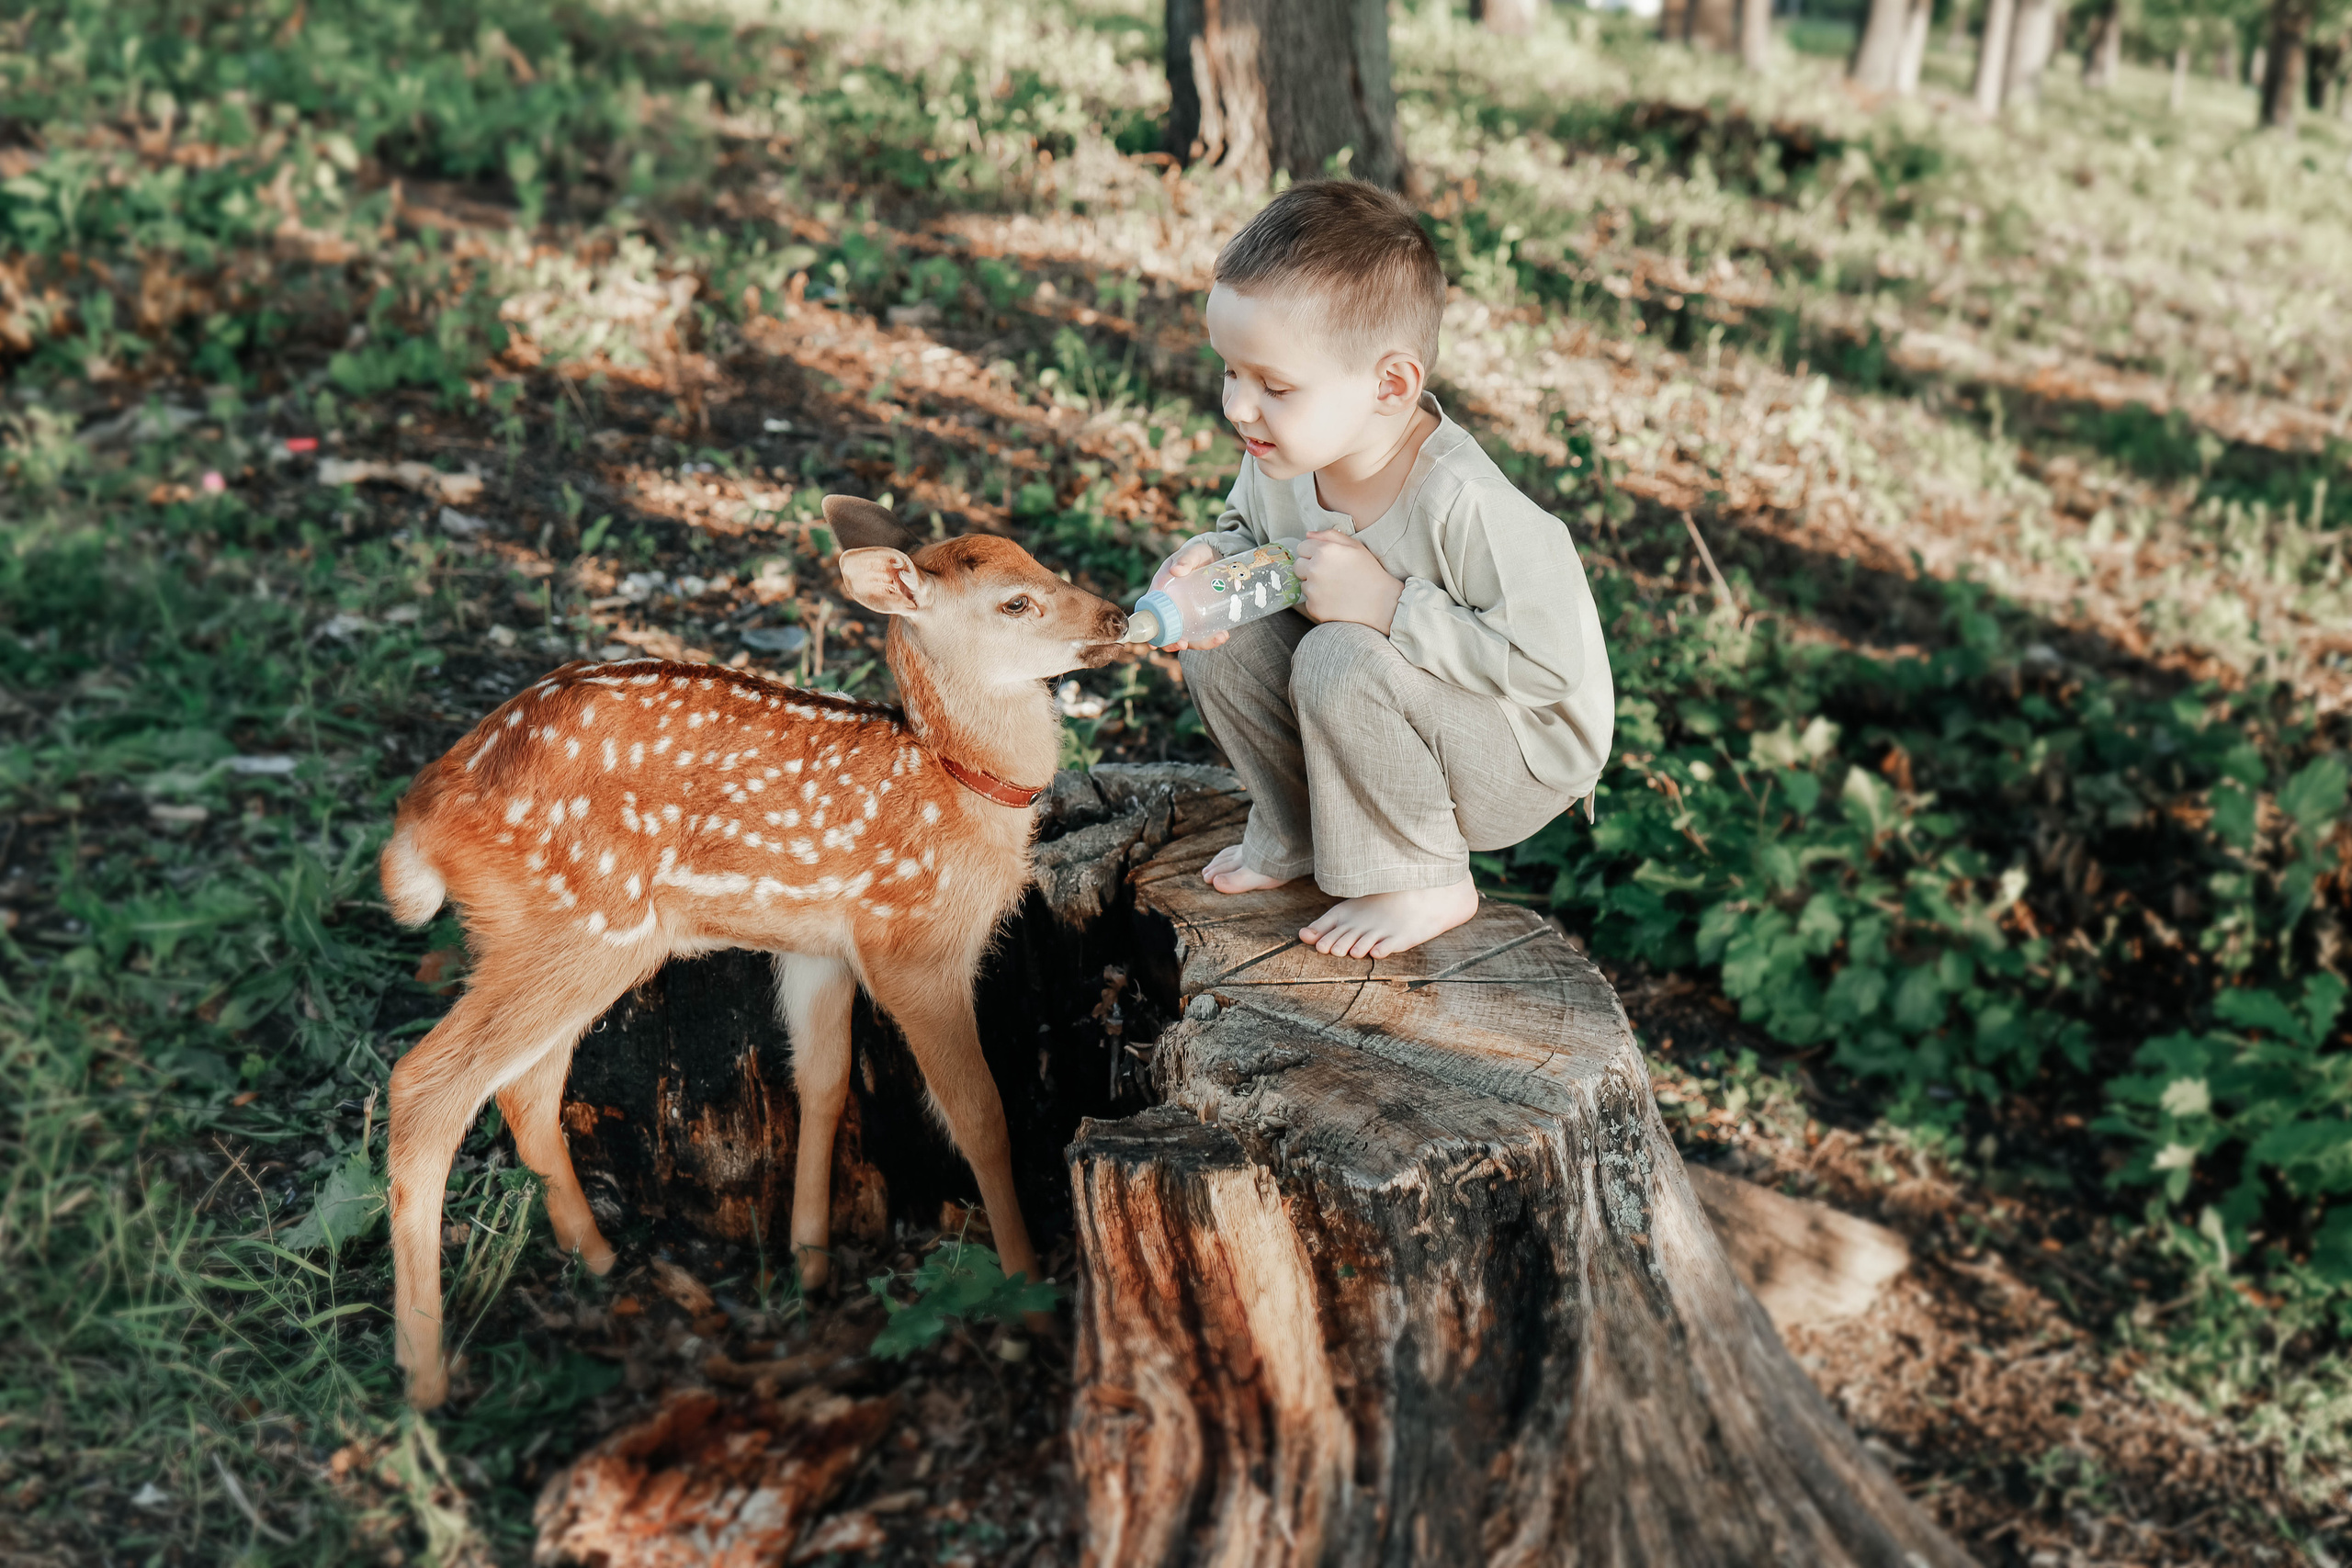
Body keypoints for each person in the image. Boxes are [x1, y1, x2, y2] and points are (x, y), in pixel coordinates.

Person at [1155, 179, 1613, 959]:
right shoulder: (1283, 454)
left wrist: (1390, 606)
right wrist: (1210, 565)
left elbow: (1547, 668)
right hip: (1387, 711)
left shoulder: (1464, 503)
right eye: (1230, 371)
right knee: (1227, 626)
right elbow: (1247, 532)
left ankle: (1428, 877)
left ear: (1391, 386)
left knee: (1340, 652)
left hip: (1520, 750)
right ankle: (1298, 831)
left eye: (1274, 384)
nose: (1237, 406)